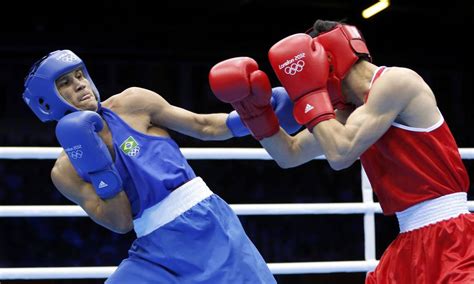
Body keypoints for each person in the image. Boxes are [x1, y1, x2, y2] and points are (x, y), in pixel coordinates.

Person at [209, 20, 474, 283]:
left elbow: (340, 154)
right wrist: (258, 116)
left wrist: (308, 95)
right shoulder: (352, 112)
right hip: (409, 243)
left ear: (327, 64)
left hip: (453, 235)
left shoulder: (396, 82)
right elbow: (289, 155)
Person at [22, 50, 301, 283]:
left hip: (204, 225)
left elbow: (204, 126)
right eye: (65, 83)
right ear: (47, 102)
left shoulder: (132, 103)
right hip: (153, 252)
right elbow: (121, 222)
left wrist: (252, 115)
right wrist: (98, 167)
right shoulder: (64, 171)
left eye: (80, 75)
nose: (80, 84)